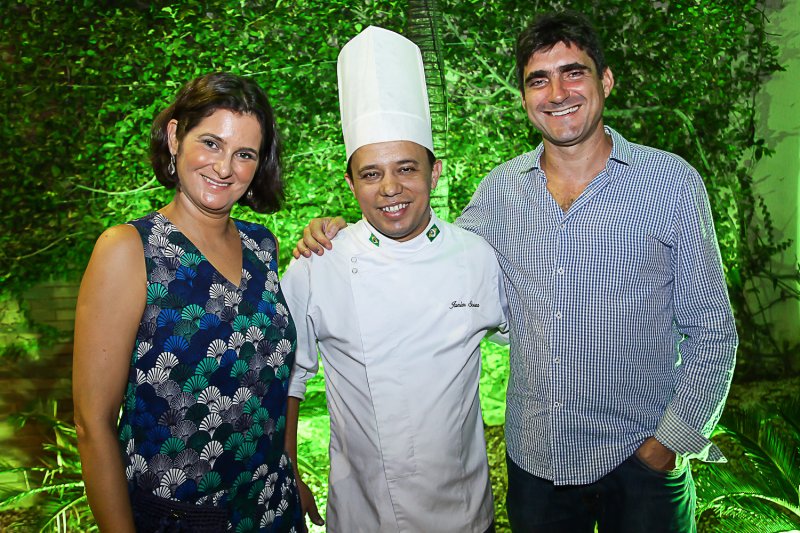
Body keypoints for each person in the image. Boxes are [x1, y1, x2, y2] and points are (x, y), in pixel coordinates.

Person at [294, 11, 738, 533]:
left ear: (605, 80)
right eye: (538, 80)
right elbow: (428, 255)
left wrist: (668, 444)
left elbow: (713, 330)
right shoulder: (500, 192)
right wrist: (339, 232)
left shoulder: (669, 182)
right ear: (525, 97)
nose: (557, 93)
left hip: (640, 463)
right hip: (539, 468)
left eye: (573, 73)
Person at [282, 26, 508, 532]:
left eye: (406, 168)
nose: (390, 188)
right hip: (364, 514)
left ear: (434, 172)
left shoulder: (477, 257)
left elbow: (538, 340)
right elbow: (290, 374)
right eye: (371, 173)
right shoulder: (318, 263)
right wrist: (288, 466)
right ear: (351, 182)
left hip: (466, 512)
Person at [73, 72, 303, 532]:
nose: (225, 168)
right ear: (176, 137)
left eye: (244, 154)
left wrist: (291, 471)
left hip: (274, 511)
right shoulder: (129, 250)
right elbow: (91, 423)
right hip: (183, 520)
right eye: (211, 143)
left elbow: (270, 391)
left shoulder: (263, 246)